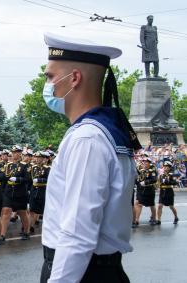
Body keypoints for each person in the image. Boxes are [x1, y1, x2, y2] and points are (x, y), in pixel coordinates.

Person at [40, 34, 141, 282]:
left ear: (74, 78)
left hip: (85, 273)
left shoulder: (87, 139)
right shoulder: (102, 132)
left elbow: (77, 233)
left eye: (50, 76)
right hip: (98, 270)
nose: (48, 84)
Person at [0, 145, 31, 241]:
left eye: (16, 152)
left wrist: (17, 179)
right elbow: (4, 178)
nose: (14, 154)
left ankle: (26, 231)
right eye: (13, 152)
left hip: (20, 193)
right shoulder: (8, 165)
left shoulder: (25, 165)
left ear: (20, 153)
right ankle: (2, 235)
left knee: (22, 213)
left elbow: (28, 179)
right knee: (6, 211)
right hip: (9, 192)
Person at [133, 158, 158, 227]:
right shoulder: (140, 170)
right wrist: (136, 183)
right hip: (141, 190)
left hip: (149, 190)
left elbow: (154, 179)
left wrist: (146, 182)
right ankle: (136, 220)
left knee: (151, 205)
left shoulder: (152, 171)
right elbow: (137, 178)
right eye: (143, 162)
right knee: (138, 203)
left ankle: (153, 218)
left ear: (149, 163)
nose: (145, 163)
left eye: (146, 162)